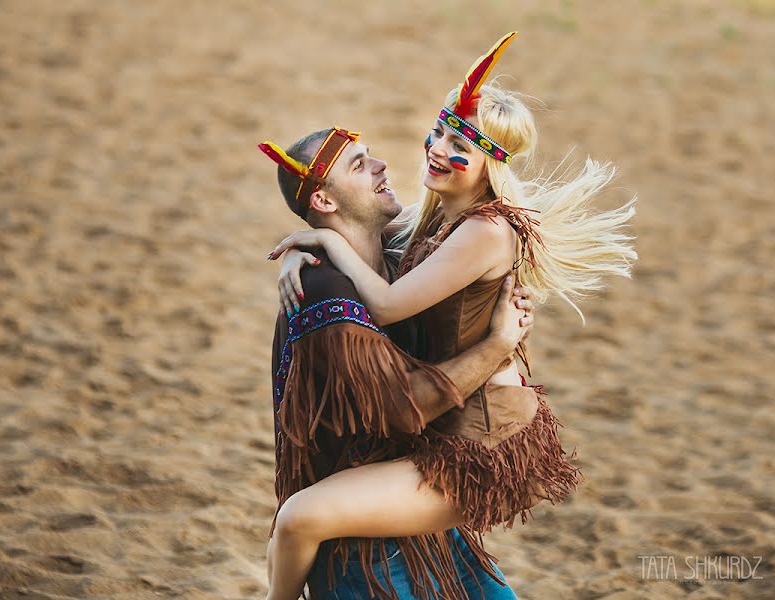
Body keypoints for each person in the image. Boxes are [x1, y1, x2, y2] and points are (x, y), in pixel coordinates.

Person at [266, 31, 638, 600]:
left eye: (461, 144)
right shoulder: (435, 213)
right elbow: (358, 226)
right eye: (440, 131)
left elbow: (384, 299)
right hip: (444, 419)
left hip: (479, 438)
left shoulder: (485, 232)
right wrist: (301, 248)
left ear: (491, 163)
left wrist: (327, 246)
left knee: (301, 518)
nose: (439, 149)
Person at [260, 125, 534, 599]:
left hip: (413, 501)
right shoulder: (327, 290)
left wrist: (312, 240)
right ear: (325, 201)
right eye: (359, 164)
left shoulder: (396, 256)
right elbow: (402, 410)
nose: (381, 165)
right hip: (365, 544)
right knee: (298, 519)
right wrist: (497, 345)